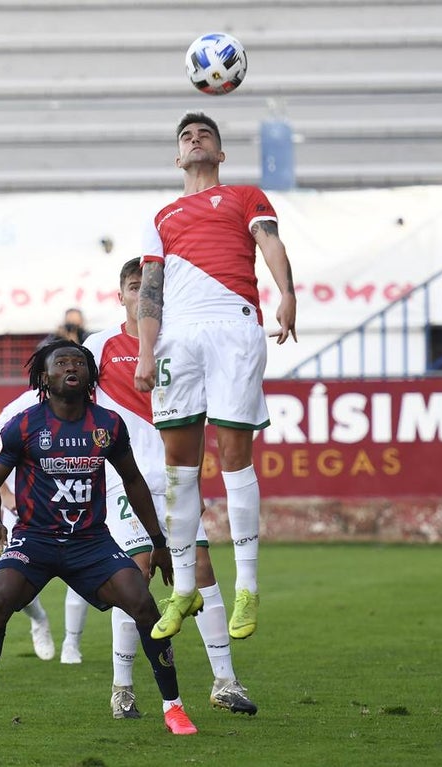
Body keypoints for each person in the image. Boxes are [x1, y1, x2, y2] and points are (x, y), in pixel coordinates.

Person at [0, 340, 197, 737]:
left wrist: (158, 541)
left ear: (90, 374)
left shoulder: (108, 424)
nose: (71, 367)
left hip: (91, 542)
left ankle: (174, 709)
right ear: (45, 377)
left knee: (144, 604)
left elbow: (133, 480)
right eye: (61, 363)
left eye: (78, 362)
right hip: (35, 540)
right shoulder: (24, 424)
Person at [134, 111, 298, 642]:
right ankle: (183, 586)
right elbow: (151, 288)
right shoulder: (160, 216)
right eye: (185, 136)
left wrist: (286, 293)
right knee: (178, 468)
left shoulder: (246, 197)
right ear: (177, 156)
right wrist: (144, 350)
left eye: (204, 135)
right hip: (176, 337)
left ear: (220, 154)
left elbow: (269, 242)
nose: (194, 139)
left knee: (233, 454)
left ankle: (247, 584)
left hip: (233, 325)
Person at [79, 257, 257, 718]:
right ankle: (123, 688)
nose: (144, 295)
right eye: (135, 287)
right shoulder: (98, 347)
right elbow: (64, 394)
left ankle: (225, 681)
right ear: (121, 295)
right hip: (124, 483)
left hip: (177, 484)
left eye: (151, 289)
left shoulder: (183, 343)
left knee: (200, 569)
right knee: (134, 571)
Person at [0, 390, 59, 662]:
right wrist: (8, 495)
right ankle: (39, 620)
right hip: (24, 508)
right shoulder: (25, 404)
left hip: (74, 505)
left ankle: (73, 646)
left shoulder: (92, 404)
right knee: (13, 586)